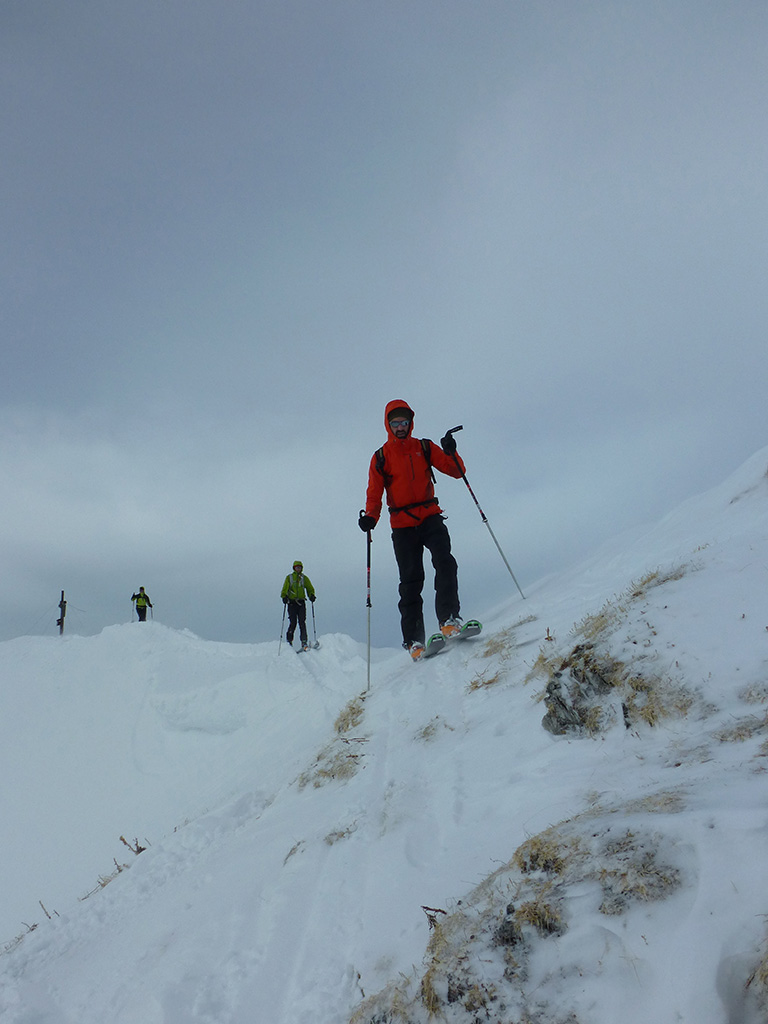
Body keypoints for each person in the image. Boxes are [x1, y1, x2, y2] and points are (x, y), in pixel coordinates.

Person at [359, 399, 466, 660]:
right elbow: (374, 493)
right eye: (395, 423)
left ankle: (449, 619)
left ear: (410, 423)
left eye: (404, 422)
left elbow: (456, 471)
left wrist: (451, 451)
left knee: (445, 562)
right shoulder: (381, 457)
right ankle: (414, 640)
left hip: (430, 516)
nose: (400, 427)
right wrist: (371, 517)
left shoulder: (424, 447)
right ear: (388, 425)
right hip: (402, 525)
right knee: (410, 581)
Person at [280, 561, 316, 651]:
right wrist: (284, 596)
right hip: (292, 603)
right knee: (293, 622)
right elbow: (285, 588)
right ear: (294, 568)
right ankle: (289, 641)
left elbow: (309, 587)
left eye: (299, 567)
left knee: (302, 622)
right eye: (297, 567)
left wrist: (311, 595)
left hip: (301, 602)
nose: (298, 569)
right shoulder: (289, 577)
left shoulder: (304, 578)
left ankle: (304, 641)